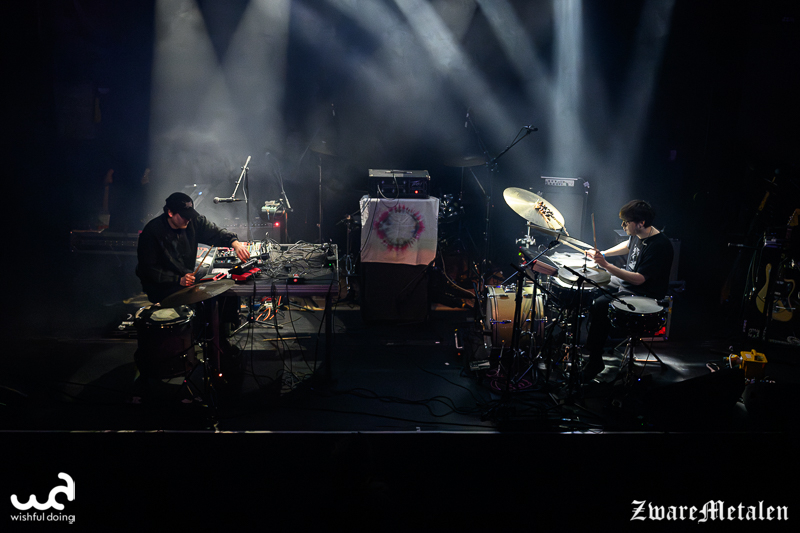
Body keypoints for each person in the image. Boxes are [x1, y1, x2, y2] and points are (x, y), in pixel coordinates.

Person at [582, 200, 674, 381]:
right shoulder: (638, 235)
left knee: (600, 305)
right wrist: (603, 253)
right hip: (629, 284)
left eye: (626, 222)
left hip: (645, 293)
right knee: (591, 283)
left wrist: (606, 265)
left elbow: (639, 279)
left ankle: (595, 360)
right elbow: (627, 245)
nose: (623, 225)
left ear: (640, 223)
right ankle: (596, 341)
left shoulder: (659, 246)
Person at [136, 192, 250, 304]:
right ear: (170, 212)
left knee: (221, 282)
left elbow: (215, 232)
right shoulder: (151, 232)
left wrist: (234, 242)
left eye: (190, 215)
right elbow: (148, 270)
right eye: (184, 216)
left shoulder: (193, 221)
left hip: (186, 276)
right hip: (163, 286)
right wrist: (178, 280)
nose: (188, 219)